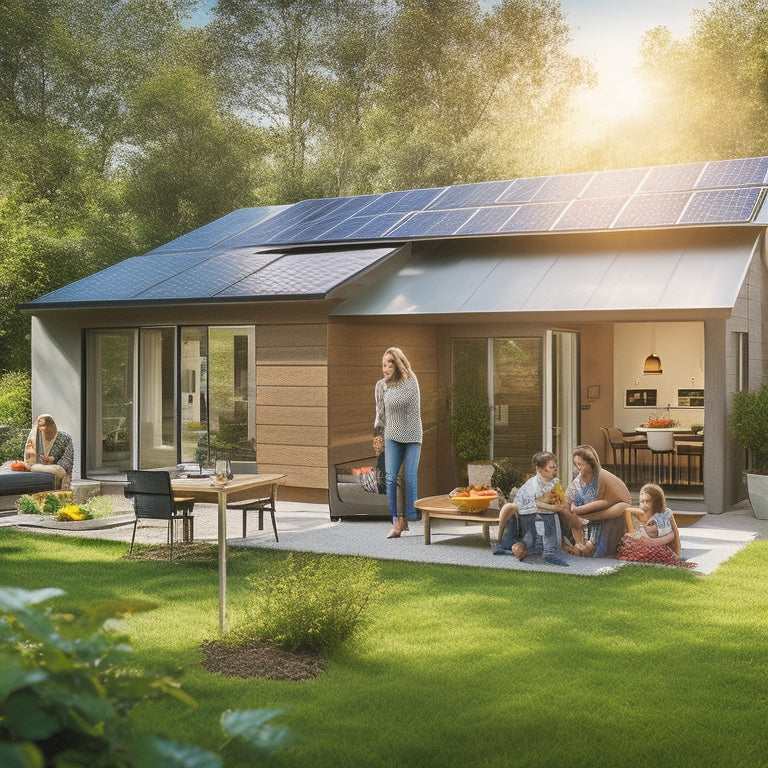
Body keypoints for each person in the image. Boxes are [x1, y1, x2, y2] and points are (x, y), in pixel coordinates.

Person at [372, 347, 422, 539]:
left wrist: (391, 387)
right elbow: (380, 414)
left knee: (409, 477)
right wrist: (377, 436)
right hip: (392, 434)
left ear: (398, 363)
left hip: (412, 435)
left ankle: (408, 517)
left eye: (389, 363)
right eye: (383, 364)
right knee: (391, 478)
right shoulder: (381, 386)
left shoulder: (410, 380)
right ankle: (396, 521)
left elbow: (403, 402)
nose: (385, 368)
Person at [493, 451, 569, 567]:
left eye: (554, 467)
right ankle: (545, 552)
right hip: (529, 518)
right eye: (550, 467)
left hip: (548, 516)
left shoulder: (554, 483)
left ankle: (550, 552)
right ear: (538, 469)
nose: (554, 470)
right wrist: (554, 507)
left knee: (552, 517)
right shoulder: (532, 485)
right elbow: (535, 505)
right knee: (538, 529)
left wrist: (557, 507)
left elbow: (561, 503)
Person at [562, 444, 631, 558]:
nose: (578, 468)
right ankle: (580, 545)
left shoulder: (602, 477)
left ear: (590, 463)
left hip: (601, 521)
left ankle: (589, 547)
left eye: (581, 464)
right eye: (576, 465)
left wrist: (583, 511)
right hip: (581, 523)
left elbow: (620, 502)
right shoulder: (577, 481)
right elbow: (567, 501)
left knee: (592, 541)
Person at [23, 414, 74, 490]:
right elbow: (30, 459)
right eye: (39, 426)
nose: (40, 429)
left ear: (51, 425)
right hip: (39, 469)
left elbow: (68, 459)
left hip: (58, 468)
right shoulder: (37, 439)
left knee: (52, 470)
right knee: (34, 468)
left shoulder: (65, 438)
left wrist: (53, 459)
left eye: (43, 425)